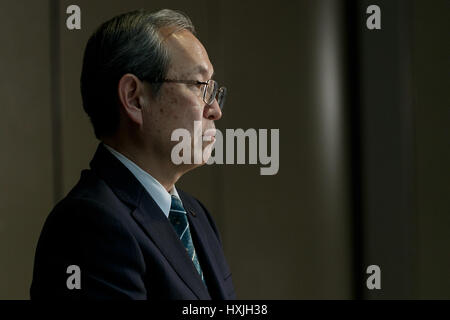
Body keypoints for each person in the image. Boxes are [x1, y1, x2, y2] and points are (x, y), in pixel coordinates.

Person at [30, 9, 235, 300]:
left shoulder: (196, 215)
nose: (215, 109)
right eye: (199, 86)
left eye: (214, 90)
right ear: (134, 98)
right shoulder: (88, 225)